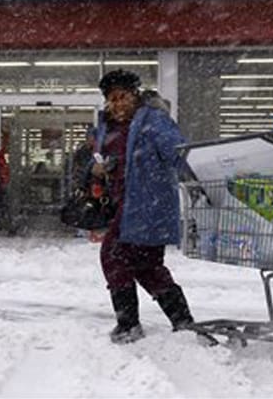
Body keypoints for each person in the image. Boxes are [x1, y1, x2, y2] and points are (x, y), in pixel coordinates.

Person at [87, 69, 193, 344]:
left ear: (135, 95)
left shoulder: (152, 121)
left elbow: (177, 153)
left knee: (113, 256)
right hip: (125, 203)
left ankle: (128, 324)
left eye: (123, 96)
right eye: (111, 99)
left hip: (148, 204)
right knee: (147, 266)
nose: (117, 104)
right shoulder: (107, 126)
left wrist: (200, 175)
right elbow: (98, 158)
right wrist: (97, 168)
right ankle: (182, 321)